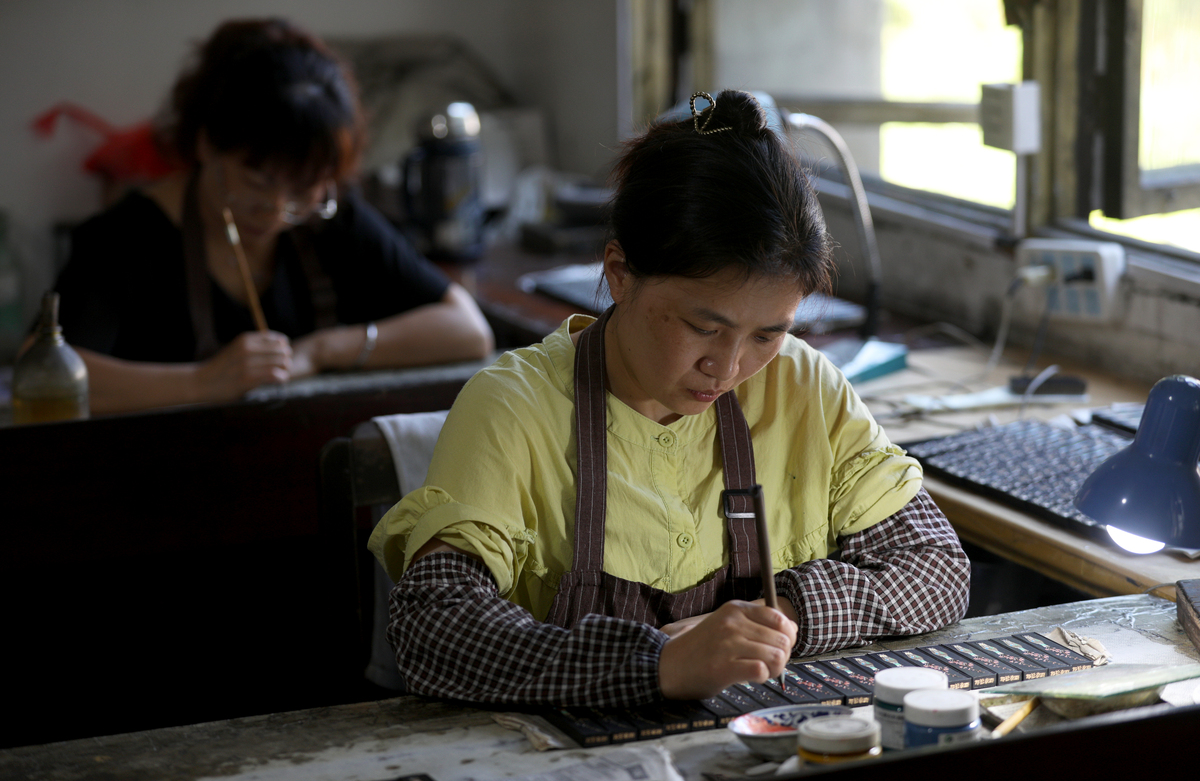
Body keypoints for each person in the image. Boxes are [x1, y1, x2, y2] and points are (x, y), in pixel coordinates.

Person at [368, 90, 970, 708]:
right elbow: (434, 629)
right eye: (702, 327)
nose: (728, 366)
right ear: (620, 273)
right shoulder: (515, 407)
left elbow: (935, 569)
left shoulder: (802, 388)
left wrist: (777, 615)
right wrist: (658, 663)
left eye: (767, 333)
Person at [50, 18, 493, 415]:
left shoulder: (330, 219)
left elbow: (468, 331)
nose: (277, 210)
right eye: (258, 180)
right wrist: (204, 382)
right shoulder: (124, 238)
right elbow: (45, 378)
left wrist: (323, 350)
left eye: (302, 189)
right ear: (207, 145)